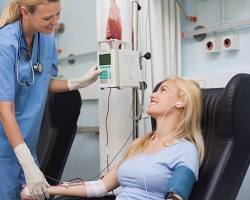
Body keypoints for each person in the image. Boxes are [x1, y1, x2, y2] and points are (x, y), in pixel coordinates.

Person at [21, 76, 205, 200]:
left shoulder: (185, 150)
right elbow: (100, 187)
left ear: (181, 101)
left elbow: (176, 197)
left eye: (163, 90)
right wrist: (46, 190)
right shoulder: (139, 145)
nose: (153, 94)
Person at [0, 0, 101, 200]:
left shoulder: (46, 37)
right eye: (47, 18)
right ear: (25, 12)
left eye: (58, 14)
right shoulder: (5, 44)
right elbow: (5, 110)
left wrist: (78, 82)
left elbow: (41, 80)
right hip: (5, 150)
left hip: (28, 146)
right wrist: (27, 164)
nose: (54, 22)